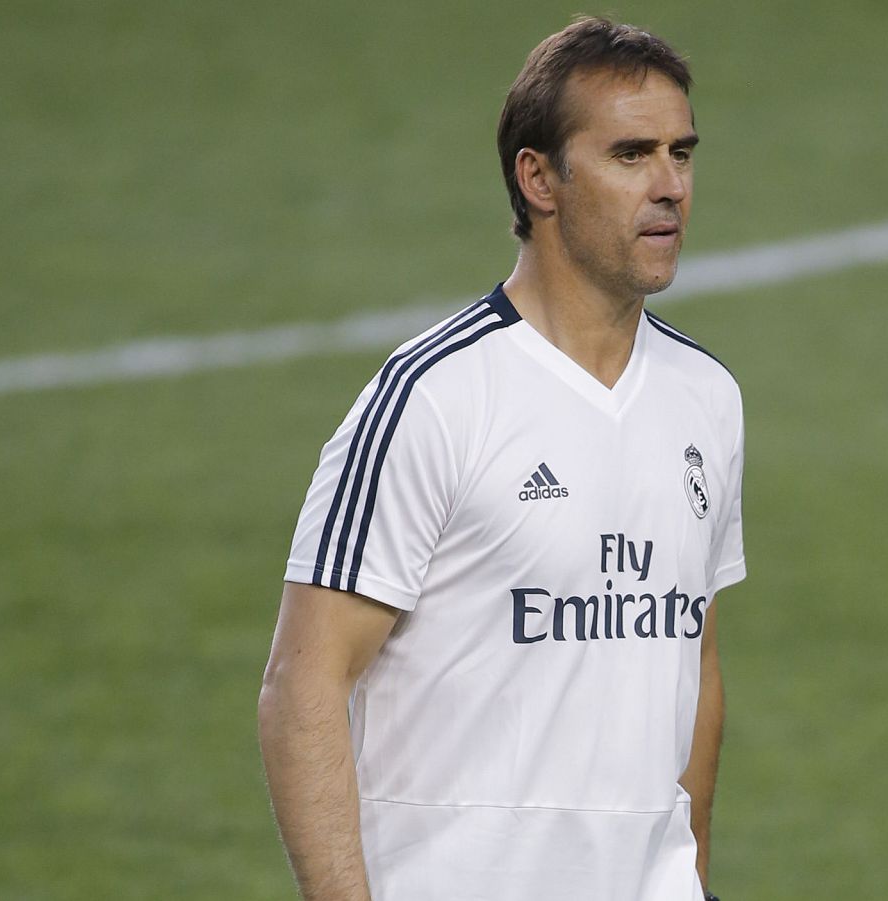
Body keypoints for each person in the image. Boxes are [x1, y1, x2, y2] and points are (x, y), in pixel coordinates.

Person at [256, 16, 743, 901]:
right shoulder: (434, 397)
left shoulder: (707, 397)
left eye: (682, 151)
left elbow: (694, 654)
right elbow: (305, 680)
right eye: (631, 154)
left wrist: (689, 874)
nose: (670, 184)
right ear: (539, 177)